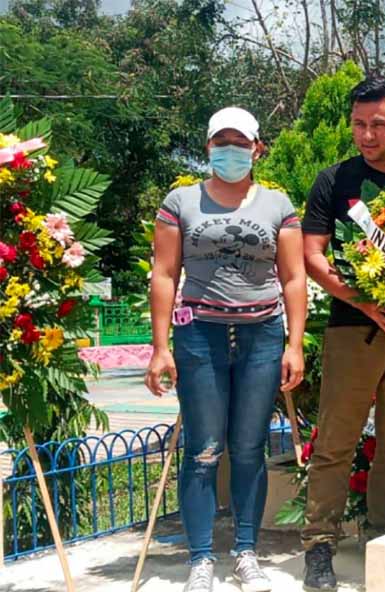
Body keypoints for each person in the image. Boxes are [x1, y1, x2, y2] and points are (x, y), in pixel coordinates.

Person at [145, 106, 306, 592]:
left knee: (250, 447)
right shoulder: (180, 201)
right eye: (222, 142)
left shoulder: (277, 204)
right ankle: (200, 558)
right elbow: (164, 274)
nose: (230, 151)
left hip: (262, 335)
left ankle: (245, 551)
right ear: (208, 146)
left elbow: (294, 277)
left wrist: (295, 344)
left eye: (240, 143)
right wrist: (159, 347)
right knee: (203, 449)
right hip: (200, 335)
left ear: (257, 148)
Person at [300, 77, 385, 590]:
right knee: (335, 442)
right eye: (358, 125)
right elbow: (313, 254)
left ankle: (384, 540)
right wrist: (361, 299)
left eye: (378, 124)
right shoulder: (335, 181)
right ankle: (319, 547)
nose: (367, 135)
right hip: (353, 327)